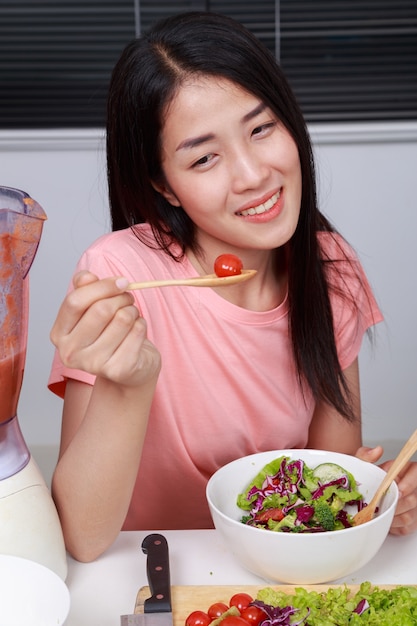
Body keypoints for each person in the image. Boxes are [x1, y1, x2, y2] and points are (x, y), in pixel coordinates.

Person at [48, 11, 417, 562]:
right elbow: (80, 536)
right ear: (163, 186)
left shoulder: (330, 267)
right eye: (204, 157)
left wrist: (374, 499)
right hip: (148, 569)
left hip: (274, 574)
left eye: (261, 128)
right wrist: (131, 383)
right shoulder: (121, 275)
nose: (252, 175)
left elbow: (328, 480)